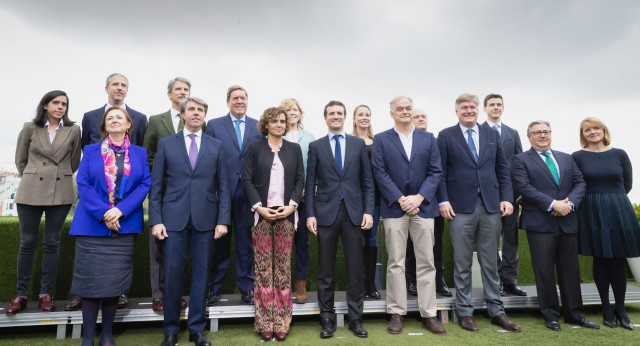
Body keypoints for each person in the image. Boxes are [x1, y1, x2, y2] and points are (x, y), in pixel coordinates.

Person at [149, 97, 231, 346]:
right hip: (173, 219)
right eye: (192, 109)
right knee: (173, 275)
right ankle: (171, 330)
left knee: (201, 275)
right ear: (183, 114)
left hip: (206, 220)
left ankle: (197, 330)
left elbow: (224, 187)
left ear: (205, 115)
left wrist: (223, 220)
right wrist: (156, 220)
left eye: (201, 110)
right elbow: (157, 187)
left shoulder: (216, 145)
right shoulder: (166, 144)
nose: (196, 113)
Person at [437, 93, 520, 332]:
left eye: (472, 107)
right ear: (457, 111)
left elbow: (502, 170)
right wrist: (443, 200)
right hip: (460, 207)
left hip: (491, 205)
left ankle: (497, 310)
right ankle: (464, 311)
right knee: (462, 262)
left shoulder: (491, 134)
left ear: (478, 110)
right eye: (464, 107)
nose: (469, 111)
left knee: (490, 262)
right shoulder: (446, 136)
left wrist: (506, 197)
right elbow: (440, 172)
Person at [69, 107, 151, 346]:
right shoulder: (92, 150)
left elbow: (145, 183)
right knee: (90, 283)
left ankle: (106, 335)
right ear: (104, 125)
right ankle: (87, 338)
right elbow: (82, 184)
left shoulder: (139, 153)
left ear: (128, 125)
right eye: (110, 118)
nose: (115, 120)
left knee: (114, 283)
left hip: (123, 226)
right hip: (91, 226)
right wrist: (104, 212)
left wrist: (120, 210)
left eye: (120, 118)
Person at [512, 120, 599, 331]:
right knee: (544, 272)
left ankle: (575, 314)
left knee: (570, 271)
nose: (542, 135)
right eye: (537, 132)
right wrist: (552, 204)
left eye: (546, 132)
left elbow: (580, 183)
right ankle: (551, 315)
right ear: (529, 136)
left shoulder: (566, 158)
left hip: (568, 221)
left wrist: (568, 204)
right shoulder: (520, 160)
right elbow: (523, 186)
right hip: (540, 223)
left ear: (551, 134)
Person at [371, 96, 446, 335]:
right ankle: (396, 312)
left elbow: (436, 171)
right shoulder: (382, 139)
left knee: (427, 262)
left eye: (408, 108)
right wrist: (401, 199)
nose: (404, 111)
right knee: (396, 262)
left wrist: (419, 197)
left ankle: (429, 314)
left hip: (423, 207)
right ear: (391, 113)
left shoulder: (428, 138)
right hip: (394, 208)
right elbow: (379, 172)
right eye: (399, 109)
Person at [7, 90, 81, 315]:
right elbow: (20, 159)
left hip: (60, 191)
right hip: (31, 190)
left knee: (52, 243)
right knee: (27, 242)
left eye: (64, 104)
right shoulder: (30, 127)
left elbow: (74, 160)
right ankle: (20, 294)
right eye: (56, 103)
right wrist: (33, 175)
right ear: (46, 105)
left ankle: (45, 294)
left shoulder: (73, 129)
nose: (60, 107)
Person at [306, 100, 374, 339]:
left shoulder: (358, 145)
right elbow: (310, 183)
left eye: (339, 113)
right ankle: (327, 319)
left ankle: (356, 319)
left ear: (345, 117)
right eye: (331, 113)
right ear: (325, 117)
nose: (336, 116)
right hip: (325, 214)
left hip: (354, 214)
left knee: (355, 270)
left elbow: (367, 182)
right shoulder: (316, 146)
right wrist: (310, 214)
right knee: (325, 270)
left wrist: (369, 211)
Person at [572, 117, 640, 330]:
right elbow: (576, 184)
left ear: (604, 130)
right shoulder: (577, 157)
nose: (592, 132)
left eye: (596, 128)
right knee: (600, 259)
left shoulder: (619, 154)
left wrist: (612, 200)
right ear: (583, 135)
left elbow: (627, 183)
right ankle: (606, 309)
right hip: (591, 208)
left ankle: (621, 309)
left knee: (617, 259)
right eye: (587, 130)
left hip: (618, 207)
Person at [244, 107, 305, 341]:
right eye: (274, 121)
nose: (279, 124)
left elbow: (300, 178)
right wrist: (258, 207)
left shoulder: (295, 149)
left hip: (286, 215)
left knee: (282, 270)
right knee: (263, 270)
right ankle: (264, 321)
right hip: (261, 215)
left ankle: (281, 321)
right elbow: (247, 179)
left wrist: (292, 206)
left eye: (282, 121)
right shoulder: (255, 148)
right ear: (266, 125)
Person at [204, 85, 263, 306]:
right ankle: (214, 288)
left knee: (246, 243)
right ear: (228, 101)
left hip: (248, 193)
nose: (239, 101)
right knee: (219, 242)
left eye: (243, 98)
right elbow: (208, 157)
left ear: (248, 101)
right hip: (222, 192)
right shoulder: (214, 125)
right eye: (235, 98)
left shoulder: (258, 126)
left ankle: (247, 287)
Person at [143, 77, 193, 312]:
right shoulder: (156, 121)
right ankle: (158, 294)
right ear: (169, 94)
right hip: (162, 189)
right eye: (178, 90)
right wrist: (165, 171)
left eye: (186, 90)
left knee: (182, 244)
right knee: (159, 243)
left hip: (188, 193)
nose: (182, 92)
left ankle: (177, 293)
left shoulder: (197, 122)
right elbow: (148, 154)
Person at [482, 94, 526, 297]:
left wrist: (517, 193)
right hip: (485, 196)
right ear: (485, 108)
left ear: (503, 108)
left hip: (509, 196)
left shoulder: (513, 133)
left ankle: (510, 281)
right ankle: (496, 280)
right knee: (489, 240)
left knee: (511, 240)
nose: (496, 107)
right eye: (492, 104)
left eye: (499, 104)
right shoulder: (478, 132)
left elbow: (519, 164)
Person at [407, 109, 451, 297]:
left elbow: (439, 173)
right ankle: (412, 281)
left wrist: (442, 200)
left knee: (436, 244)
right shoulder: (405, 142)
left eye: (424, 116)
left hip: (431, 202)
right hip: (408, 203)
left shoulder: (434, 140)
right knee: (410, 245)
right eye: (416, 116)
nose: (420, 118)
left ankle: (438, 280)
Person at [280, 98, 315, 304]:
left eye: (295, 109)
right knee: (283, 243)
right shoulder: (275, 135)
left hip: (304, 197)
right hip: (281, 198)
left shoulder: (309, 137)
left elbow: (313, 167)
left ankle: (300, 284)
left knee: (303, 242)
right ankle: (282, 285)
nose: (292, 112)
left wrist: (307, 190)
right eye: (288, 110)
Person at [352, 104, 381, 300]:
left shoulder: (378, 142)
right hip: (354, 197)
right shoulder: (348, 141)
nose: (364, 117)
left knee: (371, 240)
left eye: (367, 115)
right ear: (354, 119)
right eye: (360, 115)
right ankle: (357, 285)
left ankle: (371, 285)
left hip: (375, 197)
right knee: (353, 241)